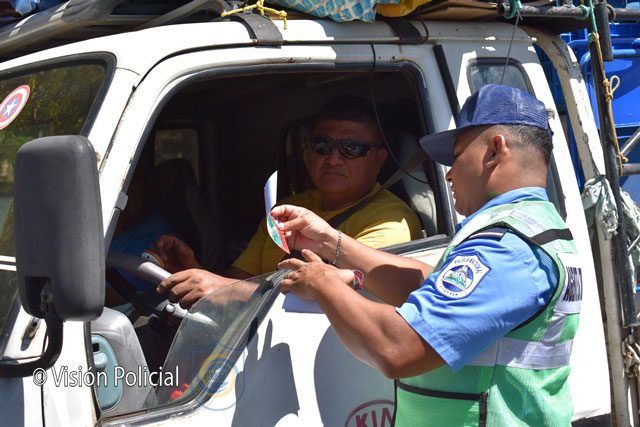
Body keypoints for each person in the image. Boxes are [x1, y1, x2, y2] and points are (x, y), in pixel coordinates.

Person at [275, 84, 582, 425]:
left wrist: (322, 282)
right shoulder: (531, 225)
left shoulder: (508, 248)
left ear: (496, 150)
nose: (448, 173)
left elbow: (397, 349)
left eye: (457, 156)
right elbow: (429, 284)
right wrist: (330, 242)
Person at [154, 95, 422, 308]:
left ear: (379, 159)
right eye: (322, 146)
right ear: (308, 153)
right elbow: (236, 283)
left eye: (351, 148)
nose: (333, 159)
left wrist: (224, 289)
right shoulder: (289, 208)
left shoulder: (389, 220)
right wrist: (194, 272)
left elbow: (336, 301)